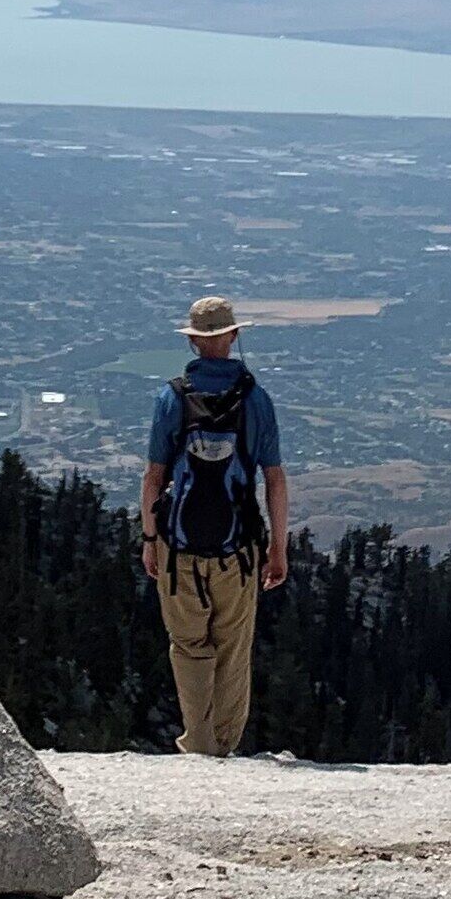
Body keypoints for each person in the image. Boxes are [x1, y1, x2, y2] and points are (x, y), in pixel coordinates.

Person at [140, 293, 289, 757]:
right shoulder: (256, 400)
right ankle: (223, 745)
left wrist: (149, 539)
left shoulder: (173, 397)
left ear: (193, 343)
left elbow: (154, 476)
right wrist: (277, 548)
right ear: (234, 336)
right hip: (238, 551)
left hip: (179, 549)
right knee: (232, 648)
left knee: (188, 646)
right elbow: (274, 479)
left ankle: (198, 741)